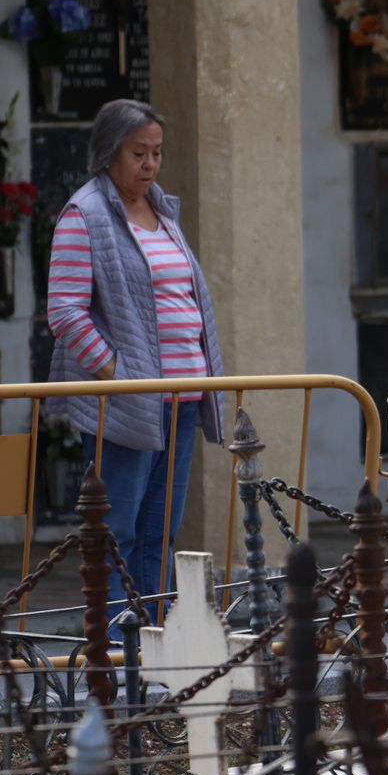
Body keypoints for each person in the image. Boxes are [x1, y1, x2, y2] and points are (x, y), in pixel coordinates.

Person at [46, 99, 225, 626]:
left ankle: (155, 639)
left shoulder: (163, 211)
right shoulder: (86, 215)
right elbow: (65, 311)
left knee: (160, 530)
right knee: (118, 527)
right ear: (109, 154)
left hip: (182, 399)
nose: (150, 165)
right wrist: (120, 378)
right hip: (127, 404)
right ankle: (115, 645)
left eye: (157, 153)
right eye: (138, 153)